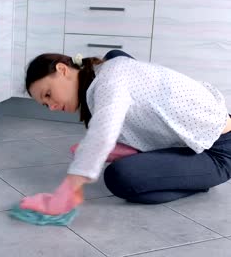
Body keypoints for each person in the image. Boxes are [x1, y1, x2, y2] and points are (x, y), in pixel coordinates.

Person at [19, 50, 231, 215]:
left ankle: (200, 180)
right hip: (202, 133)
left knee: (121, 177)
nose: (53, 107)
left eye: (48, 94)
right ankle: (141, 152)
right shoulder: (107, 67)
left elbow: (103, 130)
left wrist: (66, 192)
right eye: (46, 105)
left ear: (63, 70)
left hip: (219, 151)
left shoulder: (110, 81)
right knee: (115, 55)